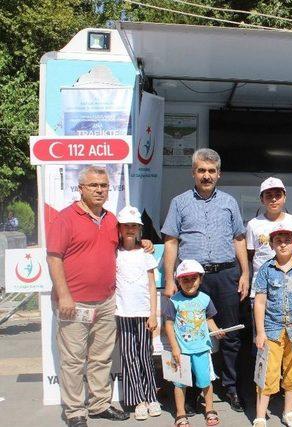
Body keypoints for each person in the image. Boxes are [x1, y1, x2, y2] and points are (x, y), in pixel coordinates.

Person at [46, 166, 140, 427]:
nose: (99, 190)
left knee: (101, 357)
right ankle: (75, 411)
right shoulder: (66, 219)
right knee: (74, 360)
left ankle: (99, 405)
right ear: (81, 189)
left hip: (107, 302)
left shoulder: (112, 220)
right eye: (93, 185)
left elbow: (125, 244)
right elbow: (54, 258)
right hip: (73, 303)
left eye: (104, 185)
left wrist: (140, 242)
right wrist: (64, 296)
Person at [162, 148, 251, 412]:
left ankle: (231, 388)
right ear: (193, 172)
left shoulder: (229, 202)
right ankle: (189, 394)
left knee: (230, 334)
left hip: (226, 276)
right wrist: (169, 280)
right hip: (191, 280)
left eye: (211, 171)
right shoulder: (179, 203)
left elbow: (238, 238)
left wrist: (244, 272)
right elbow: (171, 241)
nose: (206, 175)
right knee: (187, 336)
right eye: (201, 170)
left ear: (219, 174)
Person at [245, 177, 292, 407]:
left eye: (277, 194)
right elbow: (251, 256)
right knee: (264, 342)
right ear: (262, 199)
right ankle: (263, 388)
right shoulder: (253, 225)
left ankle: (291, 388)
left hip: (291, 293)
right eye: (268, 195)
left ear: (284, 196)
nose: (273, 199)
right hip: (264, 292)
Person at [252, 227, 292, 427]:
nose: (282, 244)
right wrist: (260, 332)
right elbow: (260, 302)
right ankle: (261, 415)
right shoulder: (265, 269)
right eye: (278, 240)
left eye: (287, 240)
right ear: (272, 245)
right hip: (271, 329)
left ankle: (289, 412)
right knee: (268, 372)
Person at [164, 259, 225, 427]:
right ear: (178, 281)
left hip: (201, 349)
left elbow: (208, 319)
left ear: (201, 279)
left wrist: (217, 330)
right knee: (179, 383)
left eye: (193, 278)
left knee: (206, 381)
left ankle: (210, 409)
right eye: (185, 279)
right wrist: (175, 348)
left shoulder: (205, 299)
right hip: (181, 351)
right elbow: (168, 325)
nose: (190, 283)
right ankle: (180, 413)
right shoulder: (174, 301)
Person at [114, 206, 161, 420]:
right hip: (123, 313)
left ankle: (151, 396)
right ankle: (138, 399)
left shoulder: (145, 253)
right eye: (126, 226)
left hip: (143, 313)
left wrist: (153, 313)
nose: (130, 229)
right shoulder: (114, 253)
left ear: (140, 229)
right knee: (129, 356)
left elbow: (152, 285)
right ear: (120, 228)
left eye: (134, 226)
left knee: (145, 355)